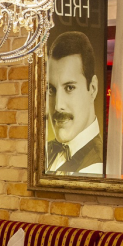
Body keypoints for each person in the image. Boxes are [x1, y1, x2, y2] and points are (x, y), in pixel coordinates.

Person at [45, 31, 104, 175]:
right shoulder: (45, 151)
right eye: (51, 90)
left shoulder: (96, 166)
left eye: (69, 88)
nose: (58, 105)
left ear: (93, 88)